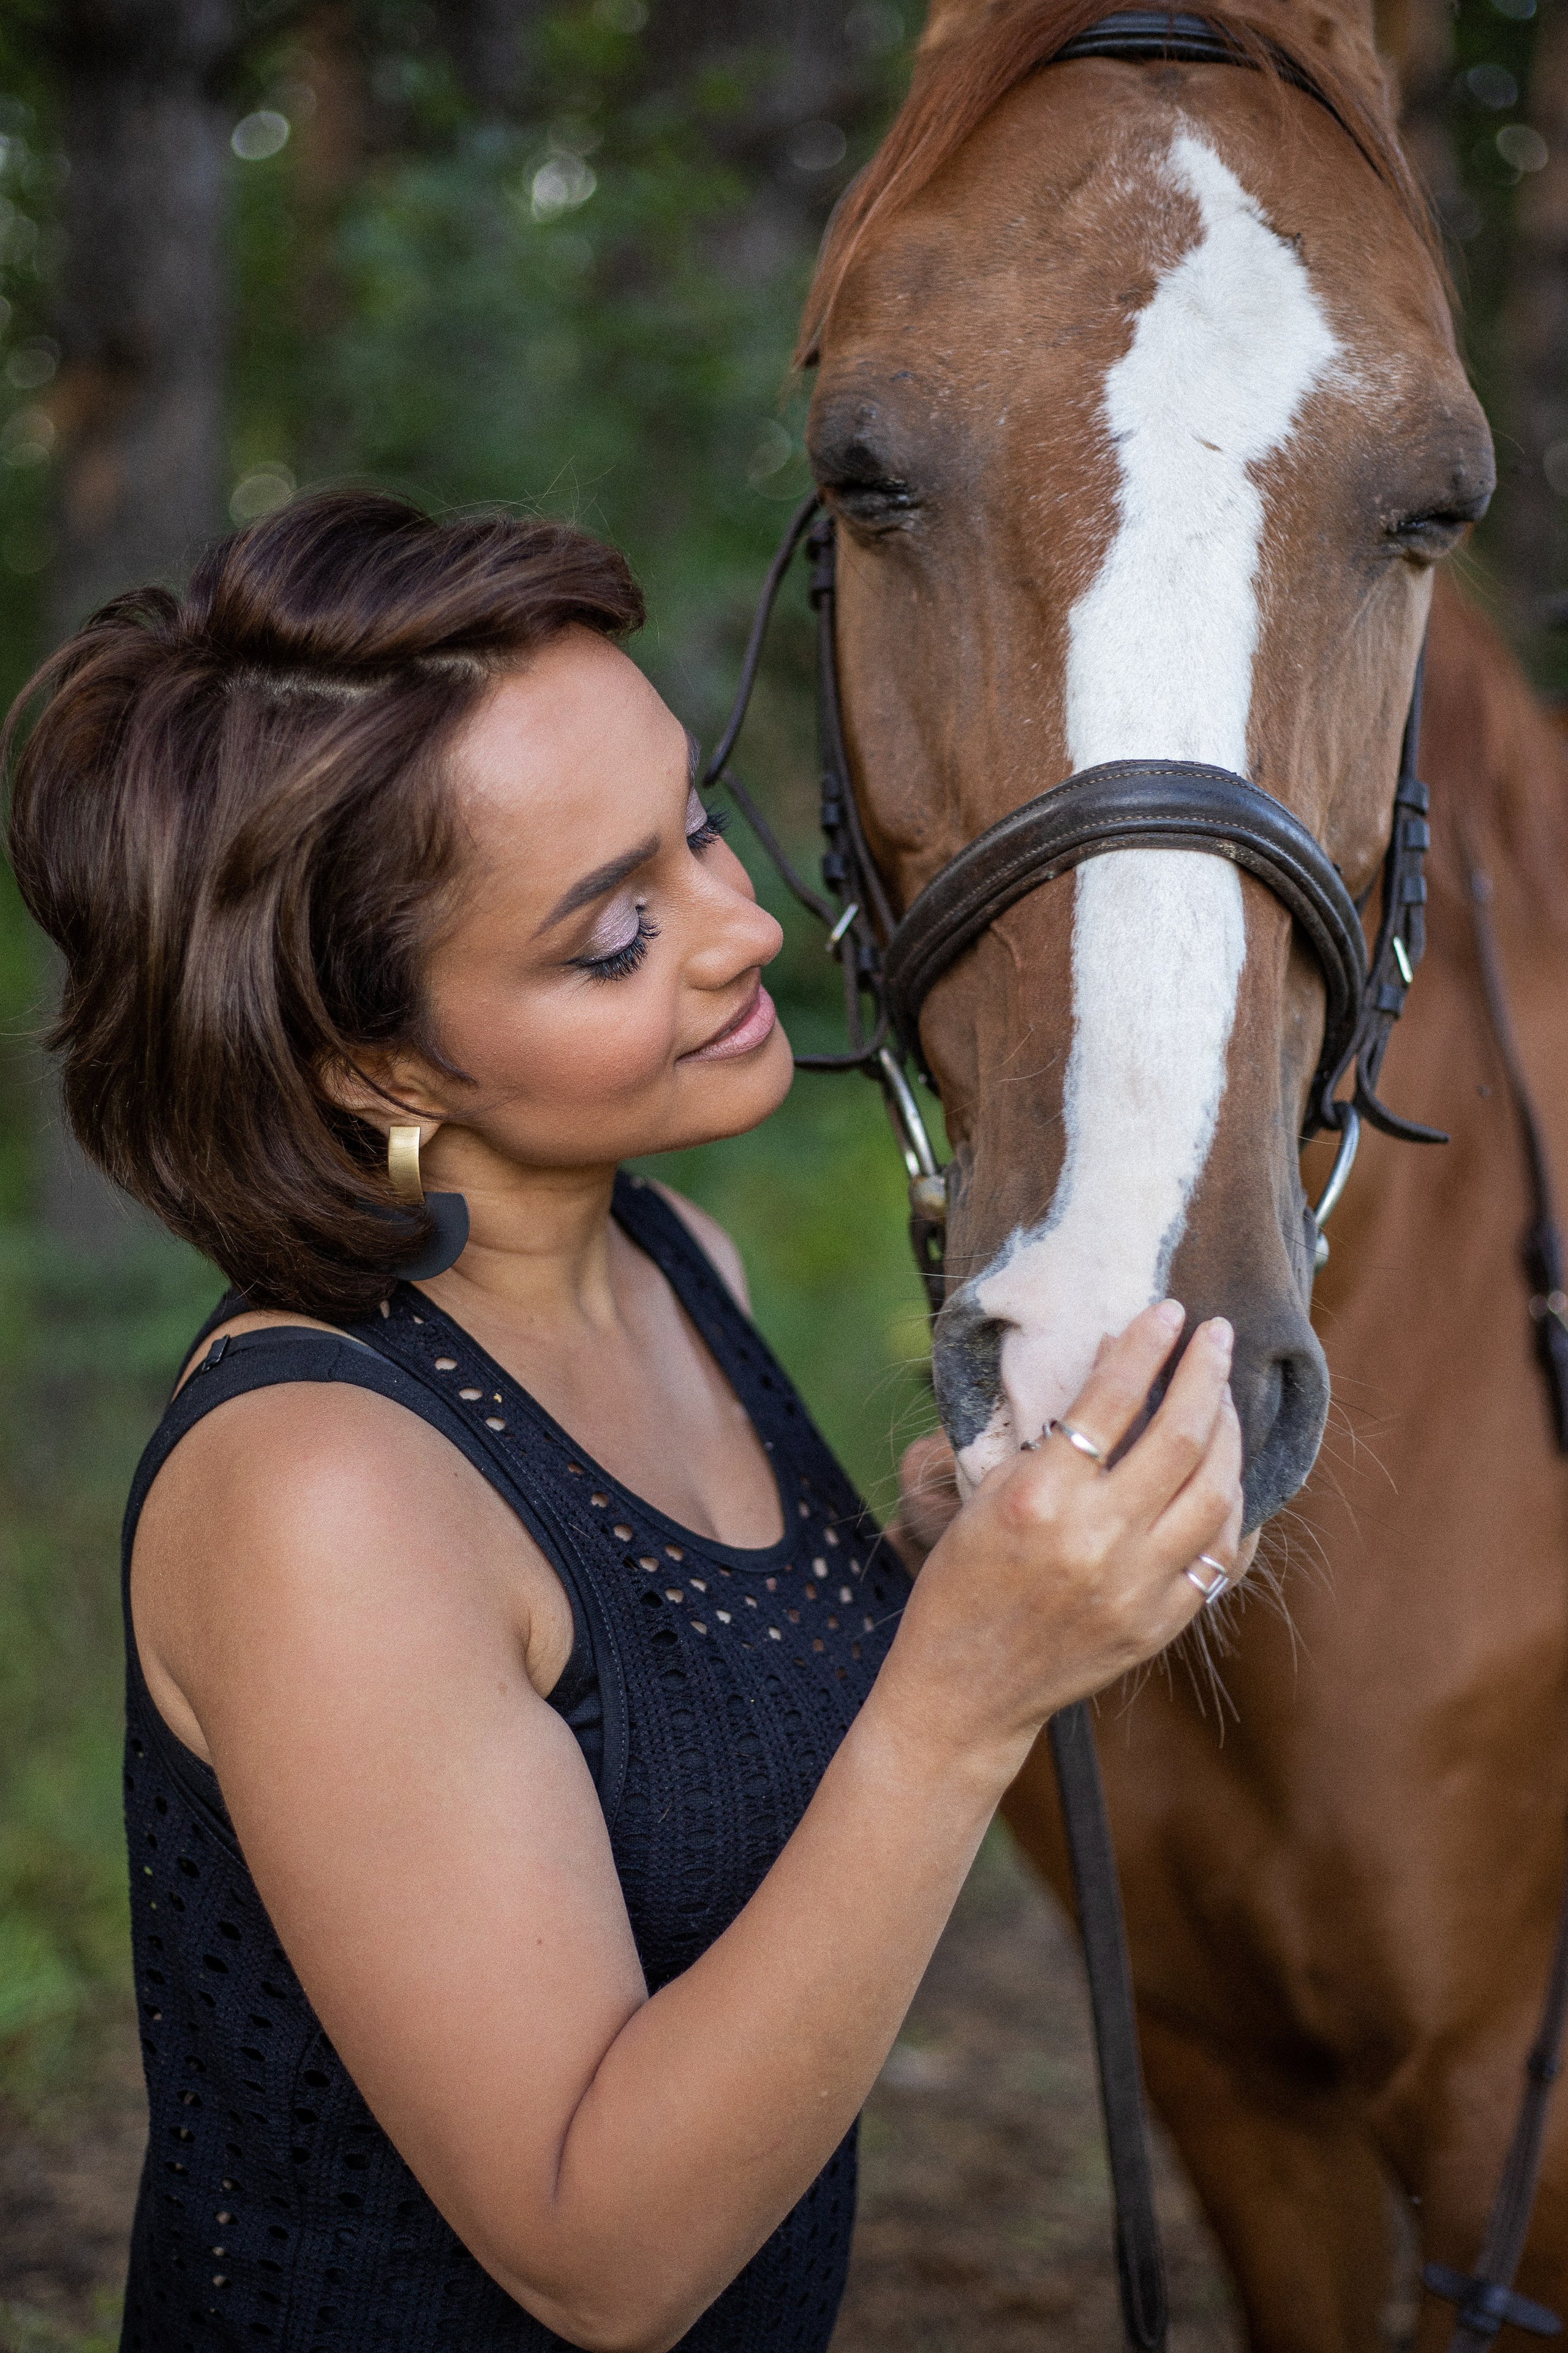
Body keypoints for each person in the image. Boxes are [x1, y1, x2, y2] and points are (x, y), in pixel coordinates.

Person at [4, 492, 1245, 2353]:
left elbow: (677, 1750)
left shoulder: (681, 1266)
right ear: (376, 1060)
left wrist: (963, 1581)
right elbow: (601, 2253)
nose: (746, 926)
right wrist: (964, 1689)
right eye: (611, 937)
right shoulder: (322, 1491)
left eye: (699, 823)